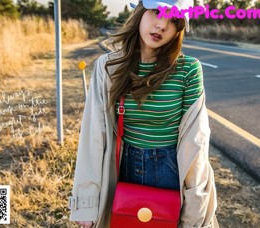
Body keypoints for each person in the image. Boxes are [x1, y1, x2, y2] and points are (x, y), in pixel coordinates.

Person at [68, 0, 219, 227]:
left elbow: (195, 143)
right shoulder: (109, 66)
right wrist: (87, 204)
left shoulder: (188, 69)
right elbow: (93, 135)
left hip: (170, 172)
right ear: (140, 11)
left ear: (179, 29)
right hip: (122, 167)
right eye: (156, 11)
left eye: (173, 20)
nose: (161, 25)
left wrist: (194, 212)